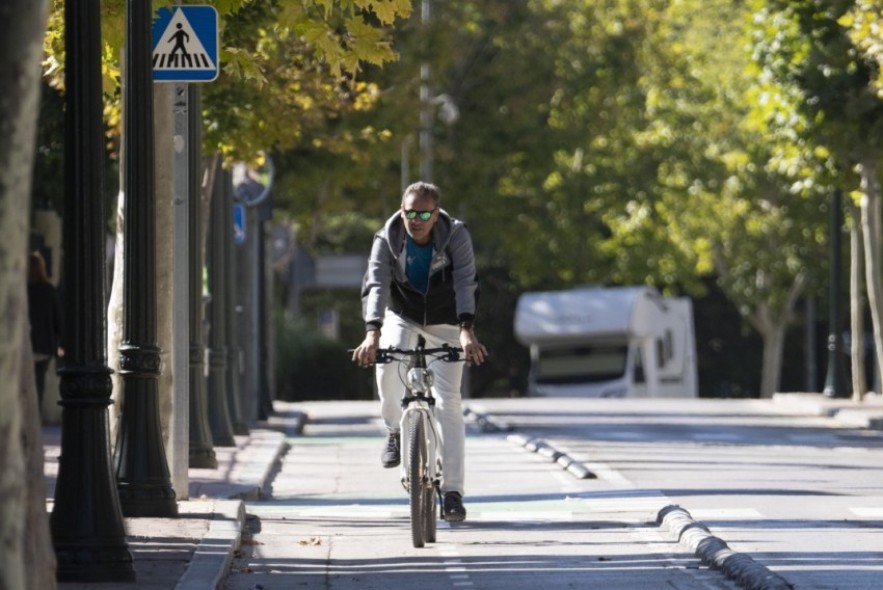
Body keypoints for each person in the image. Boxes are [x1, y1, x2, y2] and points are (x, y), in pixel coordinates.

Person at [352, 181, 487, 522]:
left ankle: (453, 491)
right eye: (409, 212)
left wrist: (466, 329)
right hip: (403, 316)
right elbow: (377, 284)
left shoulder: (456, 236)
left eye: (424, 214)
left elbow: (466, 282)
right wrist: (372, 333)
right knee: (387, 366)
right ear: (402, 210)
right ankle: (396, 430)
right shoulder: (387, 238)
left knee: (449, 402)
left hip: (446, 321)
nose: (416, 220)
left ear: (436, 214)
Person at [27, 250, 63, 408]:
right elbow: (58, 320)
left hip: (25, 346)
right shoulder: (49, 290)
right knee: (38, 385)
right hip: (43, 348)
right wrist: (62, 344)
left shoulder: (22, 290)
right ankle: (35, 417)